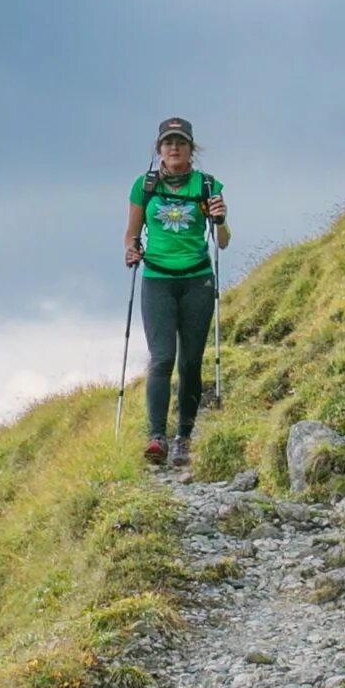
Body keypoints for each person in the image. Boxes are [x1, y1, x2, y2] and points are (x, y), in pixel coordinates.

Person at [123, 116, 228, 469]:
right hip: (157, 278)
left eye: (180, 142)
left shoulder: (208, 186)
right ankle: (157, 437)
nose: (174, 148)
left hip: (197, 278)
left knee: (190, 361)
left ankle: (184, 437)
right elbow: (131, 233)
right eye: (168, 142)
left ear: (191, 149)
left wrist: (221, 219)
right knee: (162, 357)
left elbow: (223, 242)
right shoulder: (145, 185)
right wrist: (131, 250)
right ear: (159, 149)